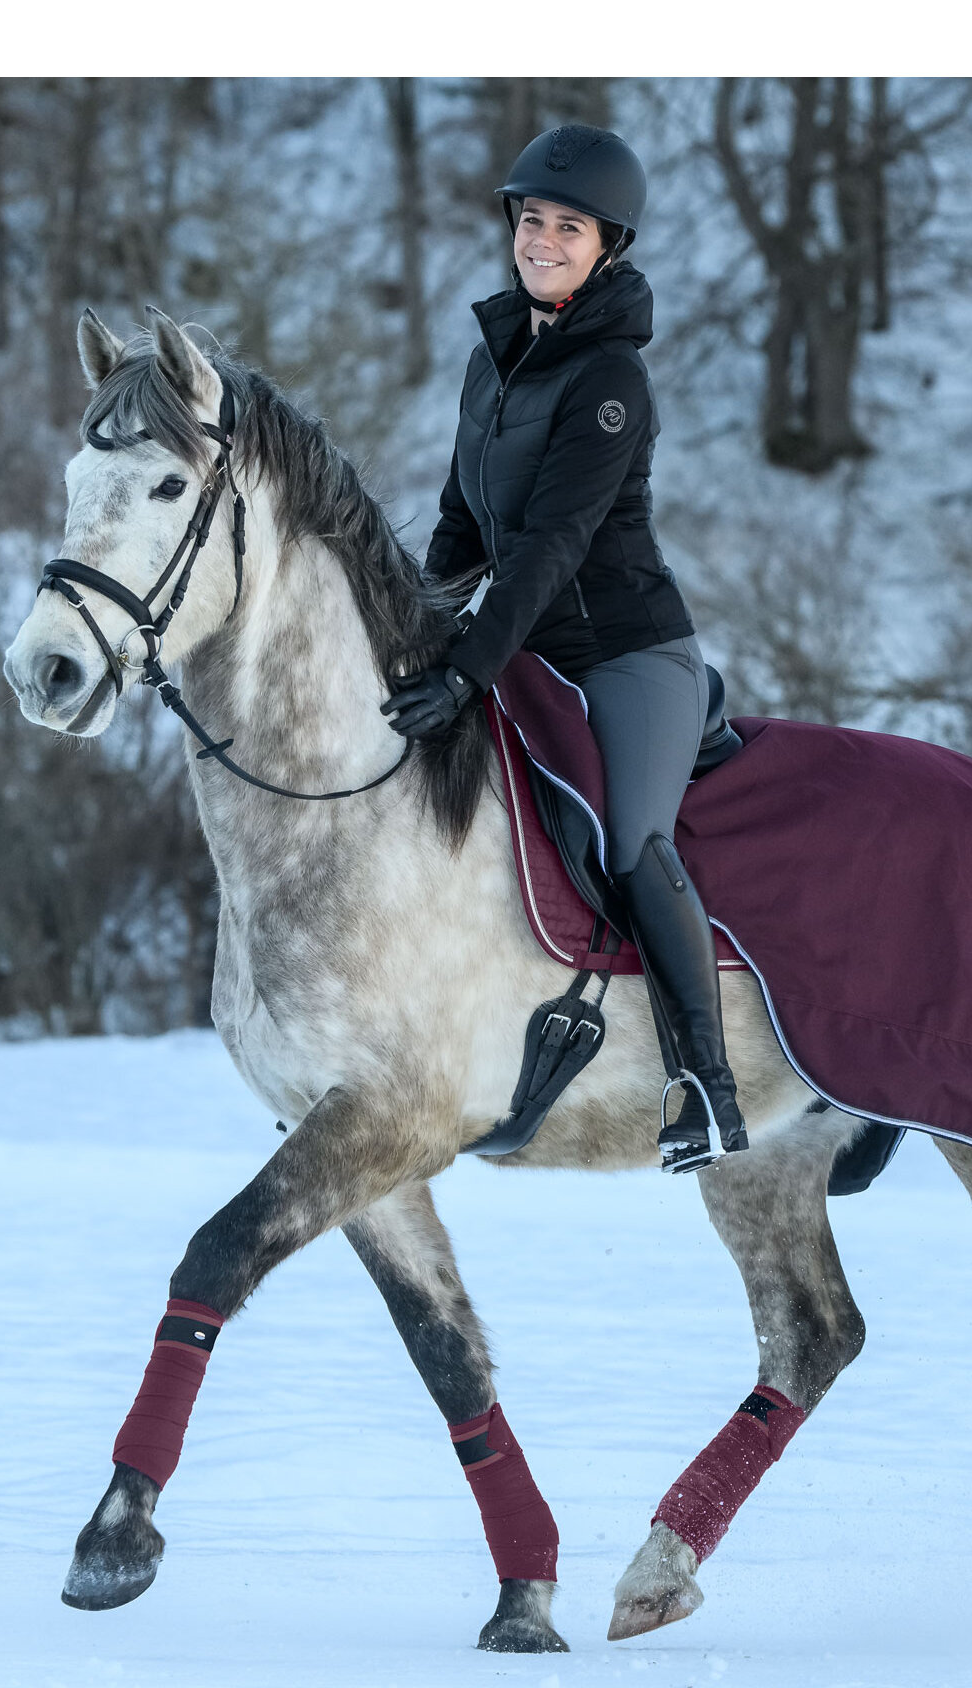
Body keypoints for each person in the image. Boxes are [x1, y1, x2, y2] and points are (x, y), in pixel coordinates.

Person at [383, 123, 747, 1173]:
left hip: (626, 654)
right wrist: (404, 624)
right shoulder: (492, 361)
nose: (541, 240)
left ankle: (704, 1089)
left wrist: (464, 667)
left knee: (632, 840)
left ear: (607, 248)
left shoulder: (609, 380)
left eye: (567, 227)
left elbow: (549, 547)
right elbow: (461, 529)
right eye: (531, 220)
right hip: (524, 644)